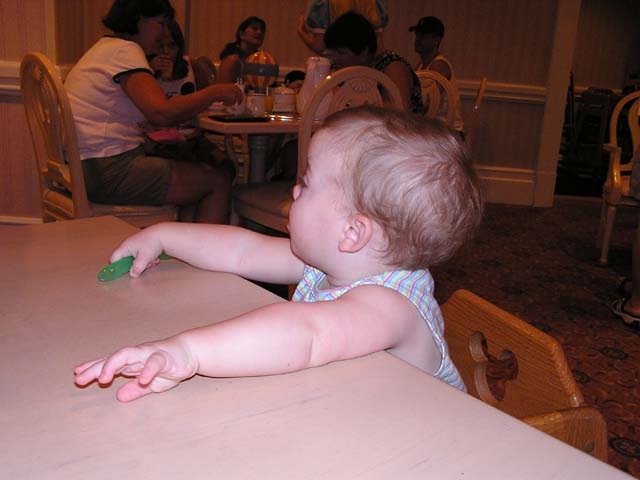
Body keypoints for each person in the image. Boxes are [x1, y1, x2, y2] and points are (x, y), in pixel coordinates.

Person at [73, 105, 483, 403]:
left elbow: (306, 335)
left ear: (352, 232)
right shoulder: (330, 263)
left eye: (306, 182)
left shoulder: (391, 307)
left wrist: (188, 352)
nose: (294, 190)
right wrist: (165, 236)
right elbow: (241, 251)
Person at [64, 0, 243, 224]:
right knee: (217, 181)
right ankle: (195, 247)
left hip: (85, 169)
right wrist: (215, 92)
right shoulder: (125, 50)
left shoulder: (104, 49)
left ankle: (183, 245)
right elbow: (161, 113)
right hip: (107, 171)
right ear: (139, 19)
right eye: (162, 24)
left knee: (195, 177)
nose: (166, 33)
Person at [323, 11, 424, 114]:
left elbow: (400, 111)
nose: (336, 58)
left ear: (364, 51)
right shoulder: (344, 68)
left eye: (342, 53)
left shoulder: (392, 67)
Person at [410, 16, 464, 132]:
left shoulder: (439, 65)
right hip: (434, 129)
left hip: (448, 131)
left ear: (437, 40)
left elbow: (427, 103)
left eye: (423, 35)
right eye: (417, 34)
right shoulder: (421, 66)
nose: (418, 39)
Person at [297, 0, 388, 55]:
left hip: (343, 74)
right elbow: (378, 50)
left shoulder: (323, 3)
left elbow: (321, 47)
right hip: (370, 73)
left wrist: (303, 35)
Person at [217, 16, 266, 84]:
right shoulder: (232, 60)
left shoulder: (260, 60)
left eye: (262, 30)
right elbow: (223, 87)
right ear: (242, 34)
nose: (259, 32)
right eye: (254, 28)